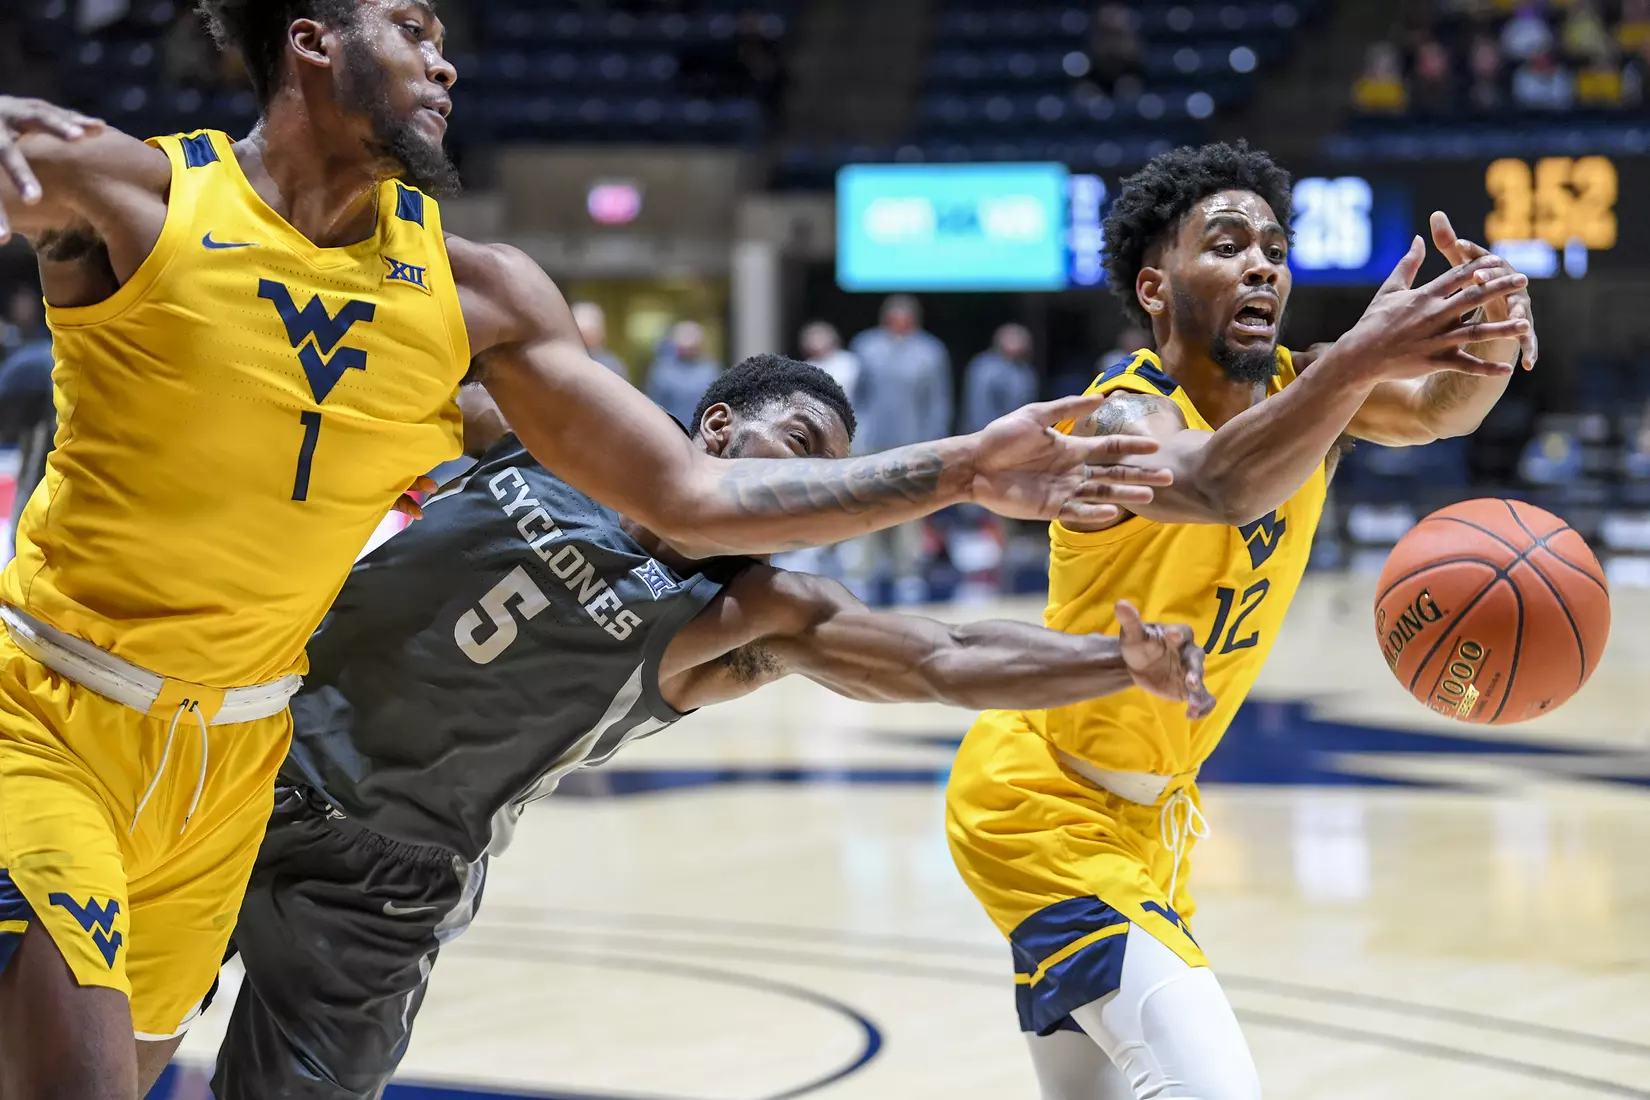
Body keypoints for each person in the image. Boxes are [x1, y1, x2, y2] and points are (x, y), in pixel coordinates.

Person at [0, 3, 1171, 1091]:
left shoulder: (498, 318)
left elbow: (881, 613)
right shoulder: (153, 200)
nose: (445, 60)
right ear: (310, 40)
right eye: (412, 28)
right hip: (134, 726)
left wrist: (1001, 512)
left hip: (304, 810)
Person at [199, 356, 1215, 1099]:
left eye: (833, 479)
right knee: (101, 1033)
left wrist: (1113, 662)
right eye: (806, 452)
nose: (818, 493)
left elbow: (942, 653)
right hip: (240, 757)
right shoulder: (549, 435)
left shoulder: (753, 610)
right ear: (719, 427)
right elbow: (382, 379)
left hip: (387, 879)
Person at [944, 141, 1535, 1100]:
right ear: (1154, 286)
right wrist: (1355, 361)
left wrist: (1498, 337)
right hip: (1039, 804)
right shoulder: (1113, 419)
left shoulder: (1311, 393)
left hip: (1152, 827)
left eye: (1273, 246)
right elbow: (1218, 482)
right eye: (1226, 245)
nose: (1262, 262)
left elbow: (1438, 409)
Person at [848, 296, 953, 604]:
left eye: (904, 316)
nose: (899, 321)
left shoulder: (930, 351)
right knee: (867, 505)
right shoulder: (866, 347)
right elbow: (857, 397)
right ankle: (863, 575)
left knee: (910, 510)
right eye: (894, 316)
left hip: (913, 443)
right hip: (872, 442)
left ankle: (908, 575)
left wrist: (935, 442)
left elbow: (937, 401)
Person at [963, 324, 1039, 436]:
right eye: (1013, 337)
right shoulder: (985, 367)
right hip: (984, 435)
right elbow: (978, 408)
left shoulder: (1026, 372)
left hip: (1016, 435)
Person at [646, 319, 722, 428]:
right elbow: (654, 408)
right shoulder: (662, 372)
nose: (688, 346)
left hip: (704, 433)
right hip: (671, 432)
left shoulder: (711, 371)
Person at [799, 319, 862, 423]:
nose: (815, 344)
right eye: (811, 340)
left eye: (819, 339)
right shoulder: (807, 365)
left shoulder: (848, 361)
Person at [571, 300, 628, 381]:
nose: (585, 340)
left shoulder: (612, 366)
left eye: (590, 333)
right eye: (581, 334)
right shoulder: (566, 363)